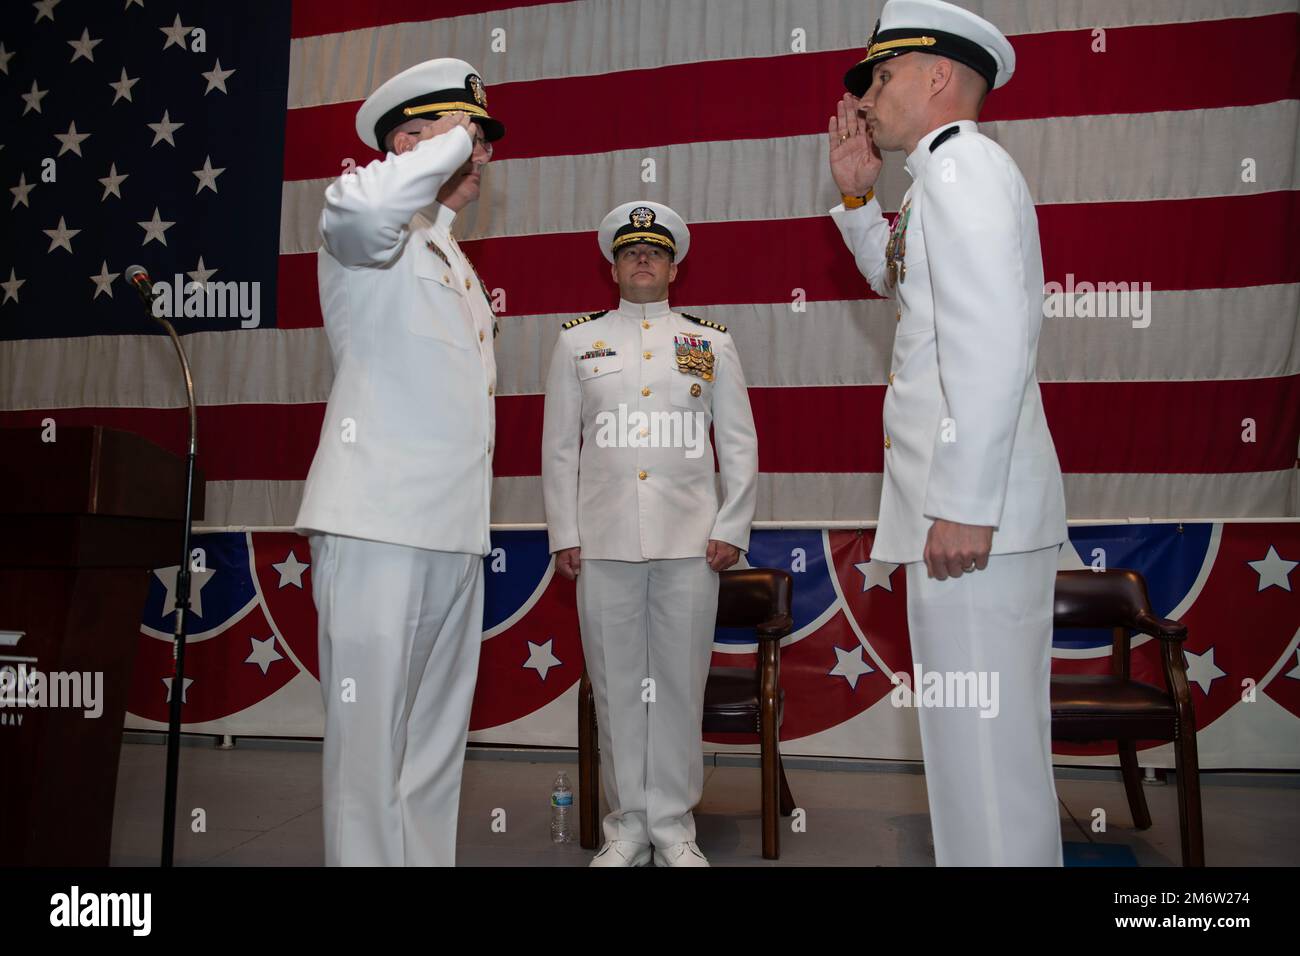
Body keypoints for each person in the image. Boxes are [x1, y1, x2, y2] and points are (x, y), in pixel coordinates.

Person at [828, 0, 1068, 865]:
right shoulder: (942, 174)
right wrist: (859, 197)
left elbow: (992, 340)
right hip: (966, 518)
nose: (865, 99)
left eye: (880, 78)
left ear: (938, 76)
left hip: (973, 522)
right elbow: (910, 291)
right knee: (973, 760)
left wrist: (964, 503)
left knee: (987, 766)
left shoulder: (962, 169)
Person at [294, 57, 505, 866]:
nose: (481, 154)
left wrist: (447, 144)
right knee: (370, 754)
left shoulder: (451, 260)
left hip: (451, 533)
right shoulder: (361, 229)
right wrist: (438, 150)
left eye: (481, 141)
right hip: (377, 526)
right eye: (466, 136)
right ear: (410, 142)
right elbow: (365, 203)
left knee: (429, 757)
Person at [541, 201, 758, 867]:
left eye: (655, 252)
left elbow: (740, 444)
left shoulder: (709, 342)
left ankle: (673, 824)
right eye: (632, 251)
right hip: (603, 542)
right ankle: (627, 824)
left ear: (673, 267)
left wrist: (732, 524)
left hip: (691, 544)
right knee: (615, 684)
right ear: (613, 267)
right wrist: (564, 532)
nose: (643, 259)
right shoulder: (577, 341)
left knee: (676, 684)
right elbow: (559, 449)